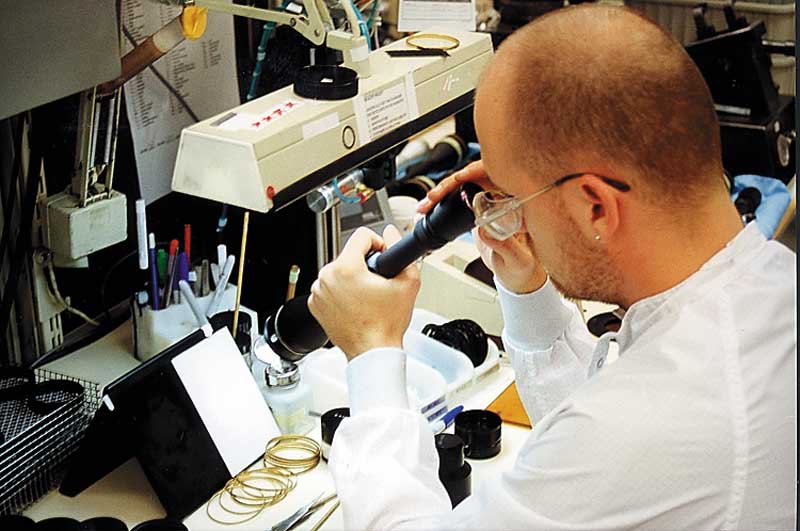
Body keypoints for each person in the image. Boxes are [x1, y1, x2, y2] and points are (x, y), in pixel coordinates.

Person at [307, 4, 796, 529]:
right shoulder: (769, 290)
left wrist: (373, 350)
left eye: (512, 193)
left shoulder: (646, 429)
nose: (499, 208)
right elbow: (589, 439)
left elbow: (608, 448)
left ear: (594, 207)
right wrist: (527, 288)